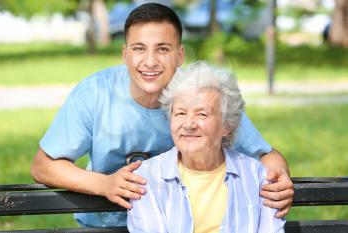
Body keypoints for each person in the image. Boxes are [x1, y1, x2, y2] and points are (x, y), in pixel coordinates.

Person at [30, 3, 293, 228]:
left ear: (180, 56)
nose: (150, 61)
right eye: (139, 49)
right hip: (107, 224)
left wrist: (279, 182)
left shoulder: (201, 92)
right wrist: (105, 184)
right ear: (125, 53)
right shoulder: (94, 93)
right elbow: (43, 166)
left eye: (163, 49)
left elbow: (267, 156)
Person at [127, 61, 285, 233]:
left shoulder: (258, 178)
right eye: (180, 113)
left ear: (227, 125)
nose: (188, 124)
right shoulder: (145, 179)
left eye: (202, 114)